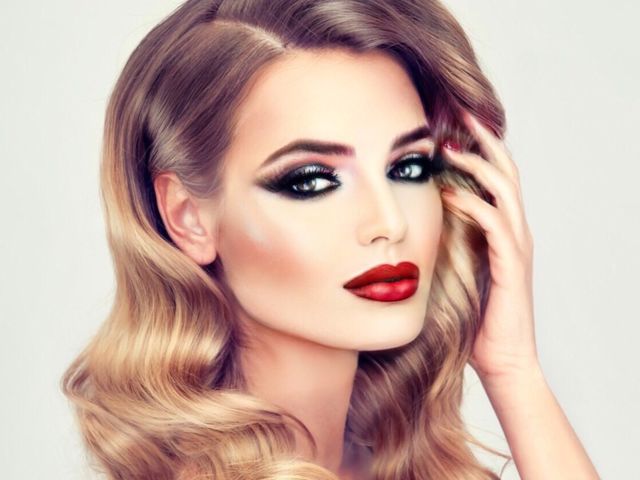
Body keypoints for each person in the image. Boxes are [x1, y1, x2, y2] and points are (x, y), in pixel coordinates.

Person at [62, 0, 599, 478]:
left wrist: (513, 368)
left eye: (409, 167)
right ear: (189, 218)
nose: (389, 222)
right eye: (312, 181)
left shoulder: (403, 464)